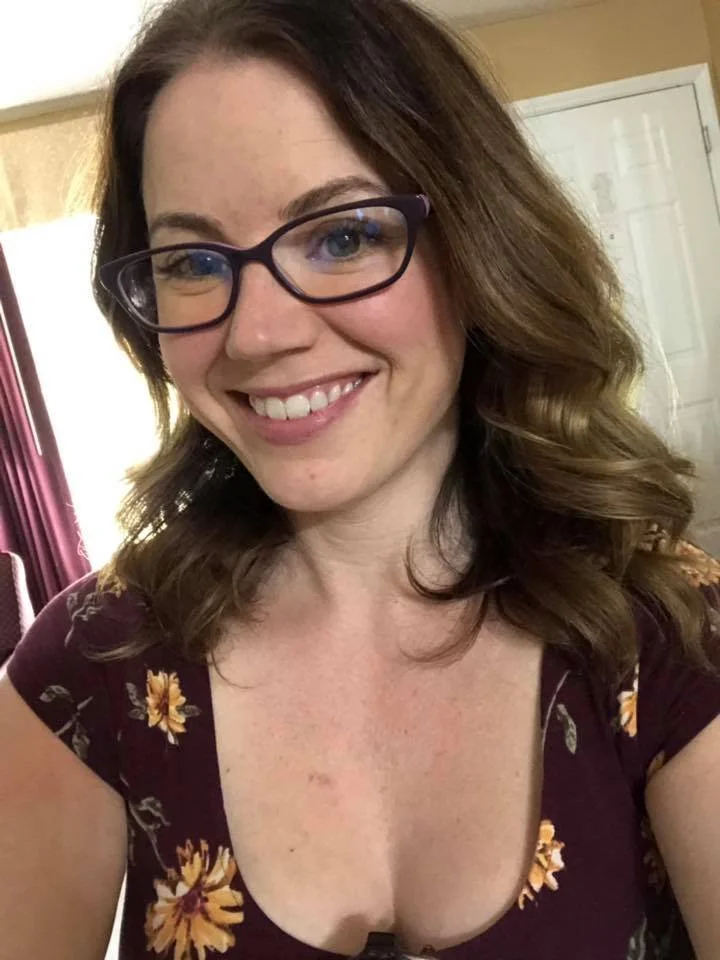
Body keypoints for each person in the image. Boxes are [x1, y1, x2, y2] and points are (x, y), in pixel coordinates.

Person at [1, 0, 719, 957]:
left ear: (479, 245)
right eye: (193, 262)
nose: (256, 334)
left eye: (342, 237)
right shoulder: (85, 673)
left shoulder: (667, 630)